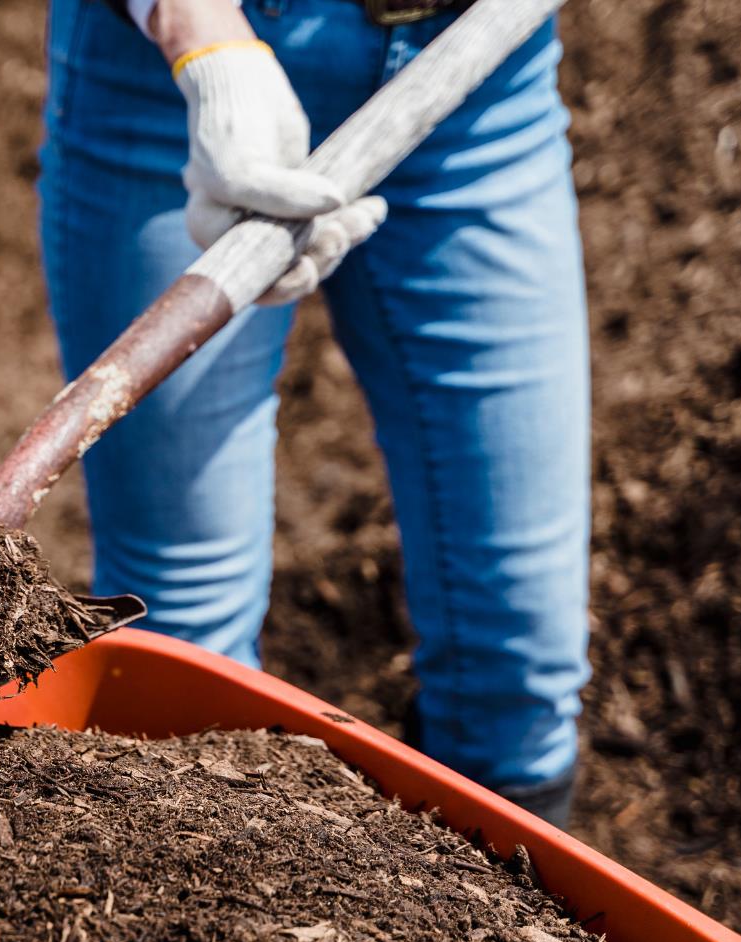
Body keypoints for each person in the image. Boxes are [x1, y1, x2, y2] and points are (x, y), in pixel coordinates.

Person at [40, 0, 588, 825]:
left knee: (519, 657)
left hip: (481, 69)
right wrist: (203, 43)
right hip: (183, 78)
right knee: (183, 638)